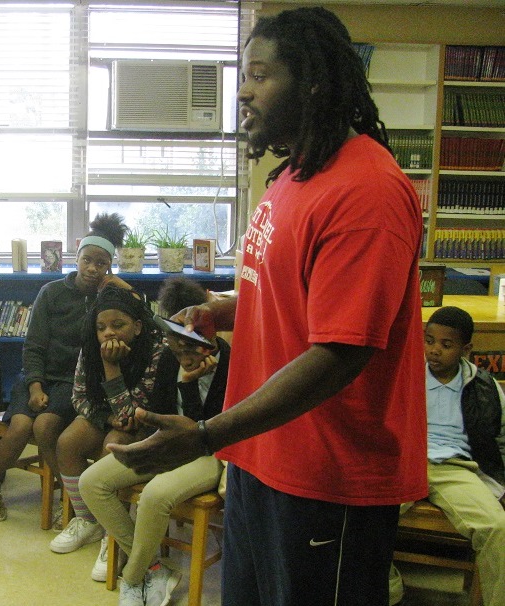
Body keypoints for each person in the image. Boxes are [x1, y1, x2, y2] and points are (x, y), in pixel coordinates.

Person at [109, 8, 428, 606]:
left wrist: (203, 435)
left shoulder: (367, 191)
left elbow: (339, 354)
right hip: (260, 456)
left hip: (327, 478)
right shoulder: (292, 178)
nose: (244, 93)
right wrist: (218, 310)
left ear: (311, 80)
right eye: (243, 78)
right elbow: (284, 294)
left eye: (260, 75)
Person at [80, 276, 229, 605]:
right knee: (92, 481)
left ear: (212, 334)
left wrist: (189, 386)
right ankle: (154, 567)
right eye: (175, 342)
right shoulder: (167, 358)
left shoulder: (231, 363)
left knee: (154, 496)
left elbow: (209, 430)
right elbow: (160, 412)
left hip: (210, 453)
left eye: (191, 343)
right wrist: (182, 382)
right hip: (168, 444)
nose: (182, 352)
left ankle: (132, 579)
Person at [0, 213, 129, 523]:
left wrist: (118, 285)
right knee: (20, 426)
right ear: (76, 257)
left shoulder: (108, 298)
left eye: (101, 264)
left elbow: (140, 314)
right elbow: (33, 346)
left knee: (44, 425)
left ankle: (72, 498)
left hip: (72, 383)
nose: (92, 268)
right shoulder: (51, 292)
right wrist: (34, 386)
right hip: (37, 375)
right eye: (87, 260)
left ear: (109, 268)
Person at [50, 284, 168, 560]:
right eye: (101, 327)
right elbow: (78, 397)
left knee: (113, 445)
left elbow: (131, 415)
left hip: (145, 422)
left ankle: (111, 534)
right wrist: (105, 417)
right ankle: (88, 520)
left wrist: (111, 366)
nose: (108, 333)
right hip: (105, 412)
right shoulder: (91, 346)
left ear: (137, 326)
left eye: (118, 325)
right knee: (67, 442)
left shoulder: (156, 349)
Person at [396, 306, 504, 605]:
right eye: (429, 341)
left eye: (446, 345)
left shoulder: (484, 386)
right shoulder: (407, 376)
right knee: (366, 518)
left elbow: (501, 437)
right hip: (408, 461)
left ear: (466, 349)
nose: (434, 351)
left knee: (497, 528)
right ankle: (389, 591)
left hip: (455, 468)